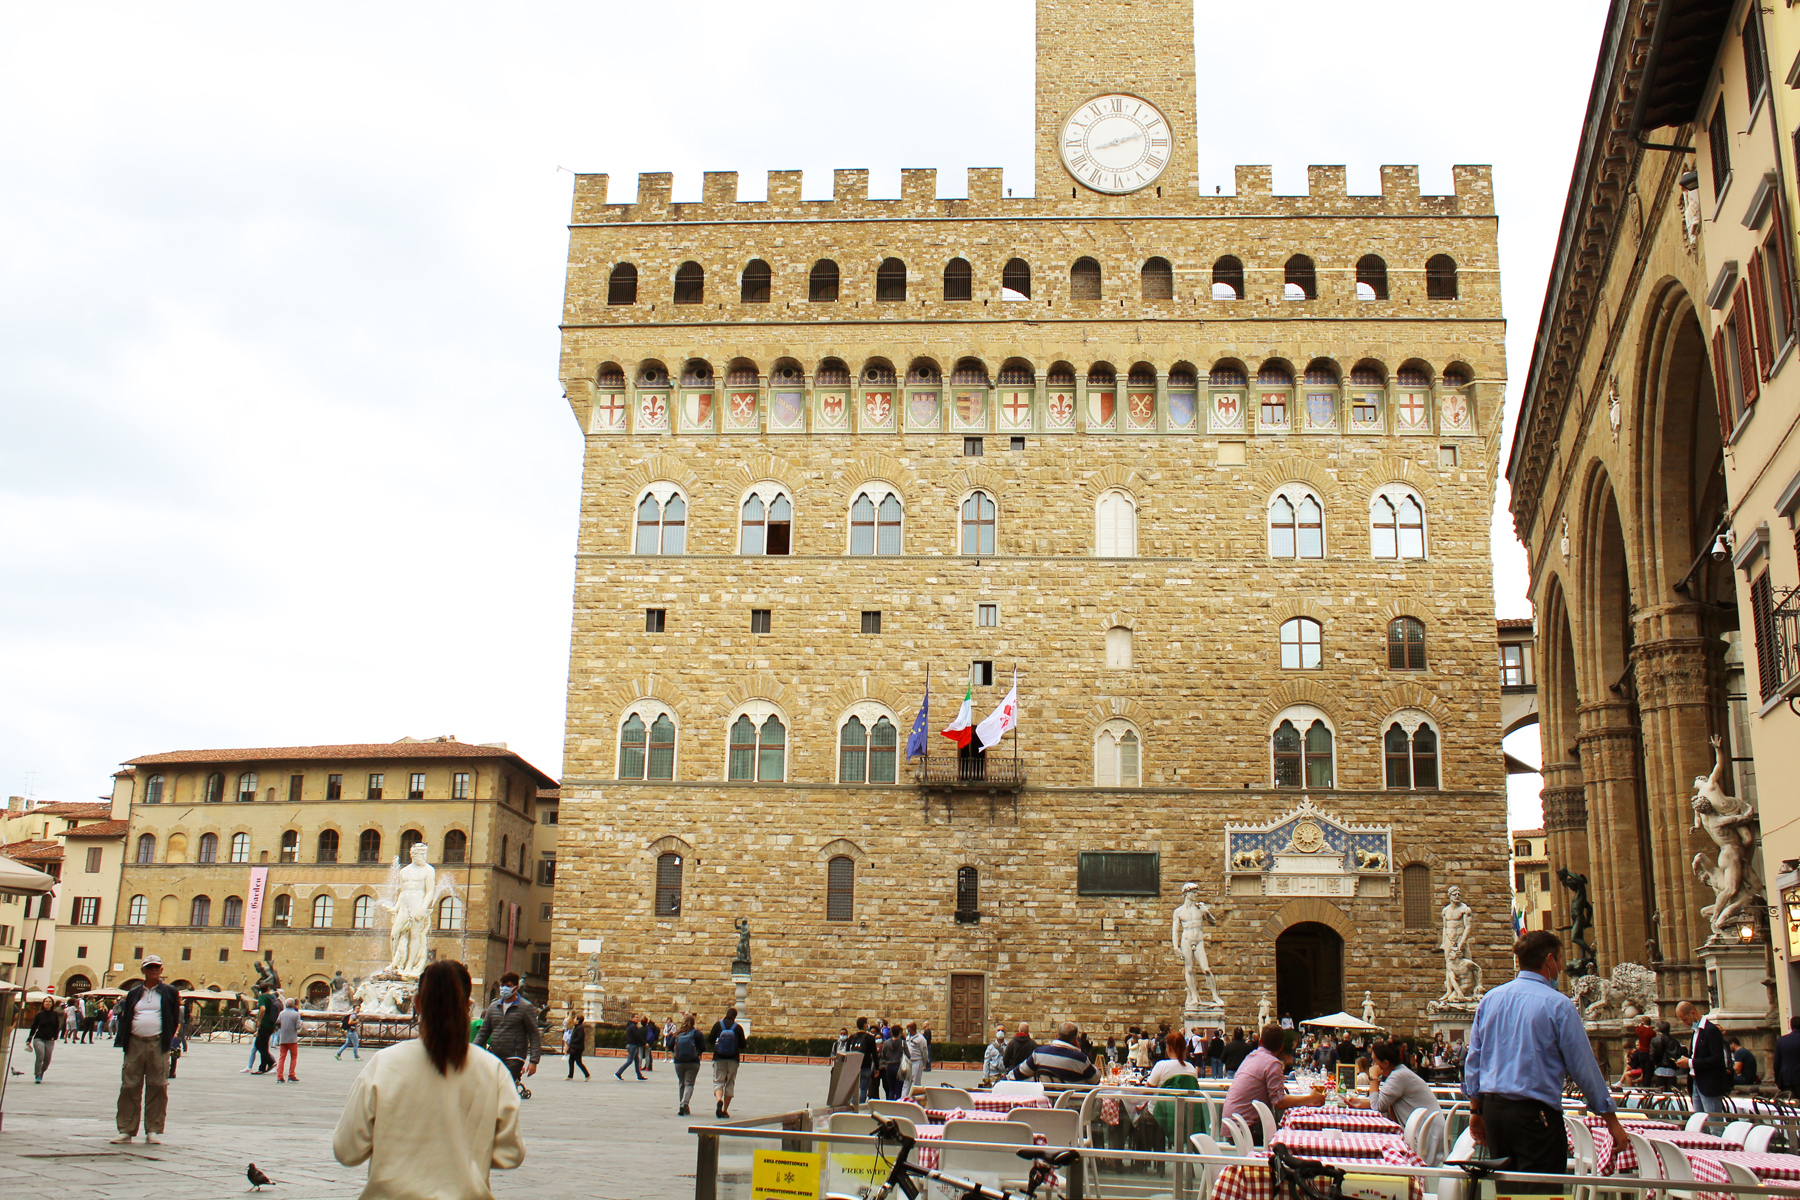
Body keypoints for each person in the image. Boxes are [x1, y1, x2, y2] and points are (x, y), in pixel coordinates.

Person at [334, 959, 524, 1199]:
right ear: (468, 1005)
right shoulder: (492, 1070)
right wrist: (466, 1151)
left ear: (416, 1003)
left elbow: (347, 1150)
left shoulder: (384, 1064)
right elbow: (511, 1153)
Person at [1462, 930, 1625, 1189]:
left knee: (1508, 1189)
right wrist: (1611, 1121)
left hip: (1494, 1112)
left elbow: (1474, 1060)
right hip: (1534, 1115)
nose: (1560, 967)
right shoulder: (1559, 1005)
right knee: (1540, 1189)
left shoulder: (1490, 999)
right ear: (1549, 961)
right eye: (1559, 960)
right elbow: (1584, 1067)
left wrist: (1475, 1109)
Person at [111, 954, 180, 1144]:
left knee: (158, 1085)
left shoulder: (169, 992)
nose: (153, 970)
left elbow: (174, 1018)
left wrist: (167, 1038)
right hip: (134, 1042)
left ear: (161, 970)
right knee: (129, 1085)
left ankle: (154, 1129)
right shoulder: (134, 993)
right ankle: (126, 1129)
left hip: (157, 1043)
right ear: (143, 970)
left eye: (156, 967)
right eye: (149, 967)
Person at [1223, 1026, 1323, 1142]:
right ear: (1281, 1047)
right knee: (1294, 1136)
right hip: (1246, 1130)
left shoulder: (1251, 1057)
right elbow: (1279, 1102)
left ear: (1260, 1042)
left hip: (1231, 1127)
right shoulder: (1272, 1063)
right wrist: (1310, 1099)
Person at [475, 972, 542, 1095]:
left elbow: (534, 1035)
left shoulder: (526, 1007)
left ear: (516, 988)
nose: (504, 988)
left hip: (515, 1056)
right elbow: (483, 1033)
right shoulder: (493, 1007)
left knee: (504, 1086)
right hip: (495, 1055)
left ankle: (503, 1110)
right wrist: (472, 1051)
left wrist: (534, 1061)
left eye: (508, 985)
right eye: (502, 985)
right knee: (492, 1088)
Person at [1347, 1040, 1440, 1130]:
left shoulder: (1398, 1076)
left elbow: (1377, 1106)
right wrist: (1362, 1104)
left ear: (1386, 1063)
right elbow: (1383, 1102)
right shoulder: (1400, 1073)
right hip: (1427, 1130)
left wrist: (1373, 1077)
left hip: (1426, 1135)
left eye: (1374, 1061)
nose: (1372, 1064)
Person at [1675, 999, 1730, 1114]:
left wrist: (1690, 1063)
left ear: (1692, 1013)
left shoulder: (1711, 1030)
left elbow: (1717, 1059)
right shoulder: (1696, 1032)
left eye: (1685, 1019)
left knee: (1713, 1124)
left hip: (1709, 1085)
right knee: (1700, 1123)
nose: (1685, 1023)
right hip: (1696, 1082)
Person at [1009, 1022, 1101, 1084]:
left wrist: (1000, 1083)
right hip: (1072, 1107)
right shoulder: (1080, 1059)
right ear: (1075, 1041)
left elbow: (1017, 1074)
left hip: (1046, 1104)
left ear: (1057, 1036)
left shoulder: (1038, 1053)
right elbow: (1095, 1080)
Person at [709, 1006, 746, 1119]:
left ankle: (719, 1100)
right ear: (735, 1017)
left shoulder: (718, 1025)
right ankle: (725, 1110)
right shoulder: (738, 1028)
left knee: (718, 1081)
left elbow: (710, 1040)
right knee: (730, 1083)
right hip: (733, 1059)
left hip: (719, 1058)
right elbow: (743, 1045)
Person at [672, 1014, 703, 1115]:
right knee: (689, 1084)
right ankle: (684, 1104)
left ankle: (682, 1104)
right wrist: (697, 1053)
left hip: (679, 1062)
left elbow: (669, 1045)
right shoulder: (697, 1033)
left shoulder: (678, 1033)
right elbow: (703, 1047)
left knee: (682, 1083)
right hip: (692, 1062)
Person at [29, 997, 61, 1083]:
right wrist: (30, 1038)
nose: (47, 1003)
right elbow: (34, 1027)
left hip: (50, 1040)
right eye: (46, 1001)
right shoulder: (39, 1015)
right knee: (40, 1056)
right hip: (39, 1038)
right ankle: (37, 1075)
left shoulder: (55, 1014)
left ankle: (42, 1072)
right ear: (43, 1003)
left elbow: (57, 1026)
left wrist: (55, 1036)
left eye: (49, 1002)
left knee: (47, 1059)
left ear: (52, 1004)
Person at [847, 1017, 878, 1100]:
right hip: (866, 1065)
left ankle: (853, 1105)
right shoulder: (870, 1038)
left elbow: (847, 1052)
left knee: (854, 1088)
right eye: (867, 1023)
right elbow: (874, 1054)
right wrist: (877, 1068)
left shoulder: (852, 1037)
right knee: (863, 1089)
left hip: (854, 1065)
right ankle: (860, 1106)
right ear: (864, 1025)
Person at [252, 985, 279, 1074]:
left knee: (260, 1045)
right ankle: (266, 1065)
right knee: (262, 1045)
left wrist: (259, 1020)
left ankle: (267, 1065)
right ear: (268, 989)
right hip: (271, 1024)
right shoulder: (272, 997)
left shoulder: (262, 997)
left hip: (265, 1024)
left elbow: (263, 1009)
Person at [275, 997, 302, 1082]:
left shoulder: (281, 1013)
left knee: (282, 1057)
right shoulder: (296, 1014)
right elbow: (298, 1026)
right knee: (293, 1057)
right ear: (293, 1004)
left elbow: (277, 1022)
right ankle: (291, 1075)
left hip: (283, 1038)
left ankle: (279, 1076)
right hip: (292, 1038)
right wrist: (301, 1024)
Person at [879, 1022, 906, 1100]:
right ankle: (898, 1105)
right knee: (898, 1089)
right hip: (899, 1066)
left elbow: (883, 1054)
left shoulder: (886, 1043)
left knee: (891, 1089)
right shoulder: (902, 1043)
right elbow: (908, 1055)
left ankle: (890, 1103)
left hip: (889, 1066)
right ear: (899, 1033)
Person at [1649, 1019, 1679, 1091]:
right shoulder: (1675, 1041)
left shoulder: (1655, 1040)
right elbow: (1677, 1055)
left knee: (1660, 1093)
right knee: (1671, 1094)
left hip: (1659, 1068)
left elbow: (1652, 1055)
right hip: (1671, 1070)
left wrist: (1656, 1063)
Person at [1773, 1016, 1800, 1095]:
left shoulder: (1782, 1040)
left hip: (1786, 1078)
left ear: (1790, 1026)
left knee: (1789, 1104)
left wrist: (1777, 1080)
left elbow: (1776, 1063)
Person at [616, 1015, 647, 1081]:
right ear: (632, 1018)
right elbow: (637, 1036)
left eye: (638, 1017)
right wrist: (644, 1043)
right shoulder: (633, 1026)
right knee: (630, 1061)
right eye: (636, 1017)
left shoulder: (631, 1026)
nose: (637, 1019)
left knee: (637, 1060)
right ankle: (619, 1072)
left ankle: (639, 1075)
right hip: (632, 1045)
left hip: (633, 1045)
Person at [903, 1022, 929, 1097]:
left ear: (910, 1029)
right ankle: (903, 1099)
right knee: (906, 1083)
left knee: (916, 1084)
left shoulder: (921, 1039)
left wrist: (924, 1062)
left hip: (917, 1062)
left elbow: (924, 1052)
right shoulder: (908, 1037)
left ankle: (917, 1100)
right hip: (908, 1062)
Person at [565, 1014, 590, 1080]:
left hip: (577, 1048)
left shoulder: (580, 1028)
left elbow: (580, 1037)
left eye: (575, 1019)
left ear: (578, 1021)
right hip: (574, 1047)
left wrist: (572, 1041)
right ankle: (570, 1076)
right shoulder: (576, 1027)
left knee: (578, 1062)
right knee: (571, 1061)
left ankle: (587, 1075)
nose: (574, 1020)